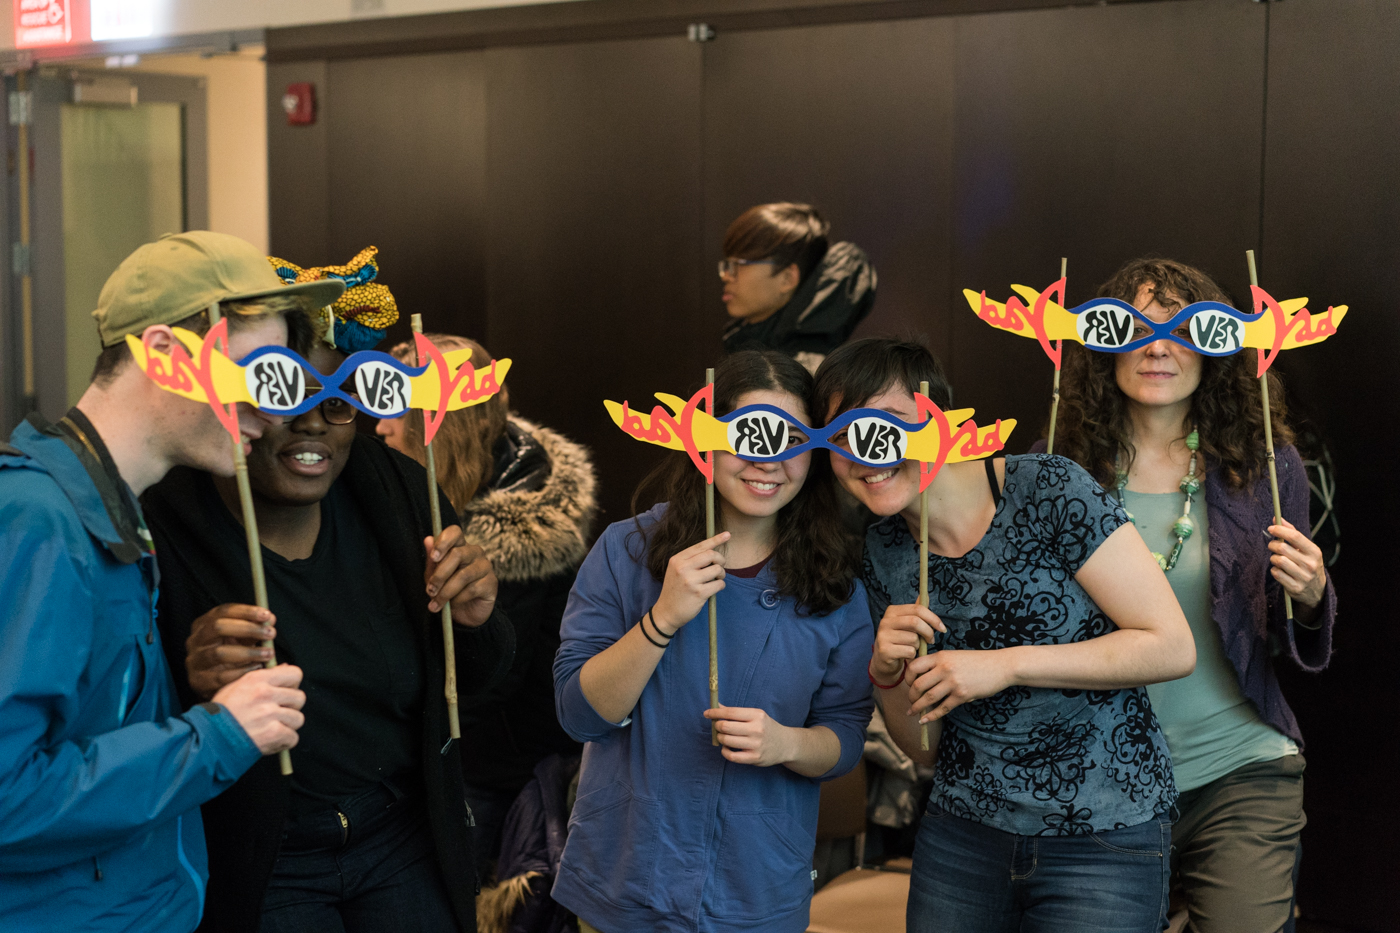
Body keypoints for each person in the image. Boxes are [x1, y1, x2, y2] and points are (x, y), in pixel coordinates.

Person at [143, 281, 517, 933]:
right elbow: (126, 726)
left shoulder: (400, 496)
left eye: (337, 401)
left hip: (398, 835)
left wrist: (477, 619)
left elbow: (474, 685)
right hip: (264, 853)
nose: (313, 419)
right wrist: (192, 683)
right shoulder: (167, 524)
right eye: (286, 393)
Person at [0, 231, 333, 932]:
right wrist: (221, 733)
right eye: (252, 374)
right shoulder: (40, 520)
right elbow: (9, 796)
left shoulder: (112, 511)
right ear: (161, 354)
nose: (273, 414)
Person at [814, 337, 1197, 933]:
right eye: (842, 434)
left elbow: (1171, 644)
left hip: (1103, 834)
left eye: (888, 426)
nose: (867, 452)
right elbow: (921, 747)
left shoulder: (1046, 488)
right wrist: (886, 673)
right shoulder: (882, 551)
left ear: (942, 423)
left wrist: (1006, 664)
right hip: (963, 833)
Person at [1047, 258, 1336, 933]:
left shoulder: (1265, 465)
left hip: (1238, 766)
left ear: (1218, 345)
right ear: (1101, 344)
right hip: (1099, 781)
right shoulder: (1057, 471)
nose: (1158, 345)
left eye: (1183, 326)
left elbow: (1292, 630)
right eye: (1135, 326)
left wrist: (1314, 590)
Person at [552, 350, 874, 933]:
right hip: (627, 878)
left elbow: (845, 738)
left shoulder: (837, 584)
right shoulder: (626, 551)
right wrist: (663, 619)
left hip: (756, 888)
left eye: (792, 442)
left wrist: (786, 744)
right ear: (705, 441)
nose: (769, 462)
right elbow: (579, 714)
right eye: (750, 436)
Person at [380, 333, 597, 878]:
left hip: (493, 761)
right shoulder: (428, 483)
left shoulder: (519, 526)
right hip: (456, 746)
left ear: (440, 423)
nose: (378, 426)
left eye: (394, 408)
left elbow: (490, 675)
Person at [720, 202, 876, 372]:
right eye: (727, 265)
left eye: (738, 265)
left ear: (787, 278)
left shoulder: (802, 373)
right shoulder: (760, 348)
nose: (726, 275)